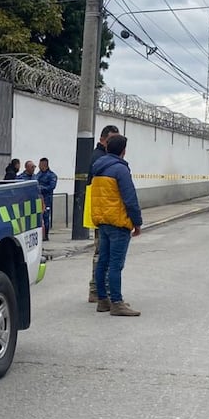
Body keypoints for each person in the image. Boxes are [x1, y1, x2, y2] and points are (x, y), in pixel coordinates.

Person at [89, 134, 142, 316]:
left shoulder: (97, 168)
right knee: (115, 264)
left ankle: (103, 300)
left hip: (102, 221)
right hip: (118, 222)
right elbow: (130, 199)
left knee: (103, 261)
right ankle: (117, 302)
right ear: (123, 151)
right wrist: (137, 222)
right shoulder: (120, 170)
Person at [88, 125, 121, 303]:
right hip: (103, 213)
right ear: (103, 140)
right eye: (111, 140)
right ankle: (99, 291)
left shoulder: (101, 158)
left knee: (102, 254)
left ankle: (100, 292)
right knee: (102, 254)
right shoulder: (100, 159)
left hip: (100, 212)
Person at [37, 157, 58, 240]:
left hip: (46, 199)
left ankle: (45, 236)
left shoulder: (52, 175)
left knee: (46, 217)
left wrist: (40, 188)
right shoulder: (38, 175)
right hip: (38, 199)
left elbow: (51, 187)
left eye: (40, 164)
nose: (39, 166)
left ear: (44, 165)